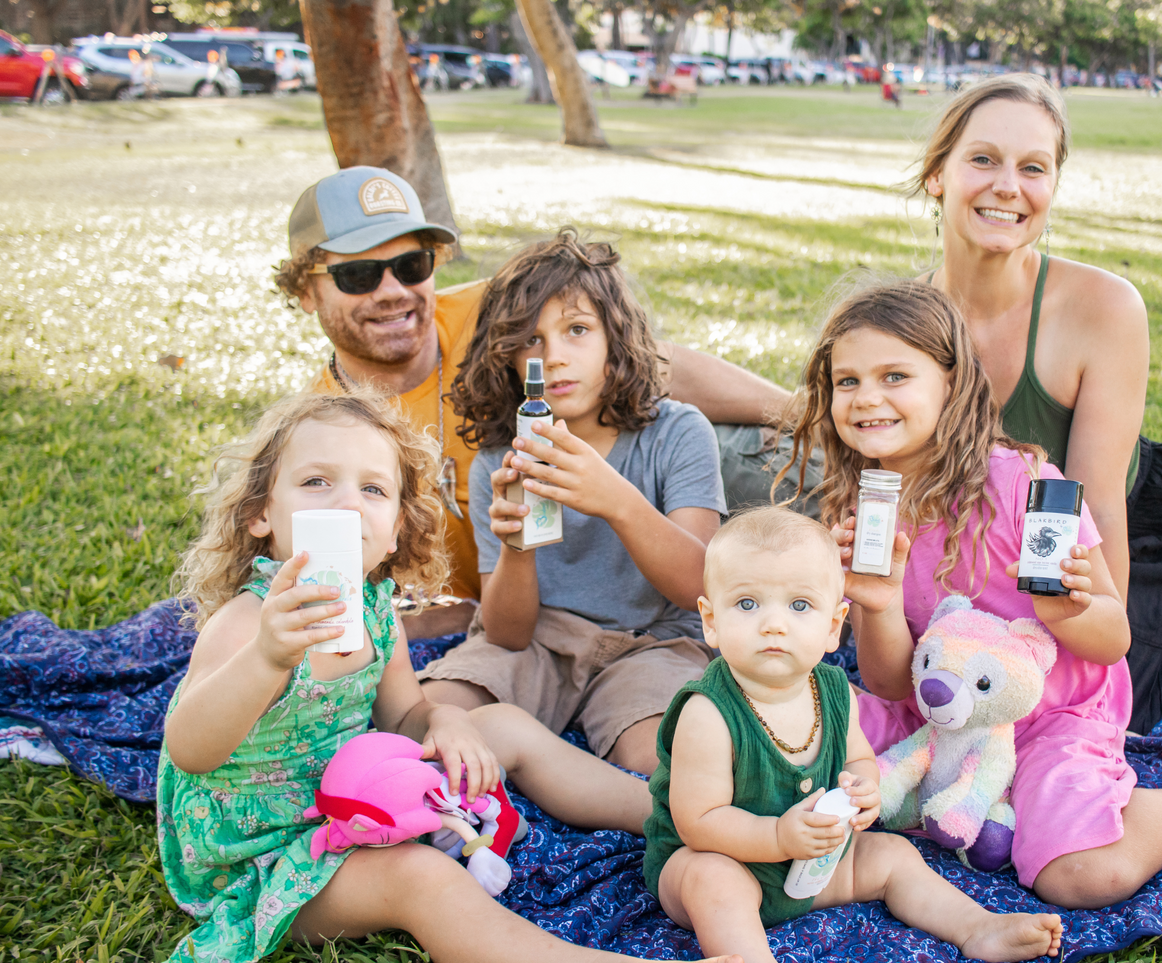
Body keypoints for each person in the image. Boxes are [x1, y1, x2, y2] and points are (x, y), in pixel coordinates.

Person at [781, 279, 1162, 910]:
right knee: (783, 740)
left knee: (1080, 877)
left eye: (894, 376)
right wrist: (877, 604)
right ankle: (987, 798)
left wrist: (1065, 609)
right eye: (847, 381)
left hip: (1053, 715)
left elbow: (1114, 639)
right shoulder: (868, 510)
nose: (866, 398)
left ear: (952, 382)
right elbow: (888, 684)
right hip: (938, 716)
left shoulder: (1024, 484)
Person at [158, 390, 708, 963]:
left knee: (500, 726)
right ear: (260, 514)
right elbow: (190, 749)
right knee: (421, 879)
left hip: (355, 793)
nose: (347, 503)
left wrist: (442, 719)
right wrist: (267, 658)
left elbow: (403, 714)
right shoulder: (247, 623)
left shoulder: (374, 609)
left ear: (395, 530)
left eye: (372, 489)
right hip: (266, 852)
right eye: (318, 482)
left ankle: (680, 812)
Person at [273, 167, 807, 638]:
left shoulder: (502, 313)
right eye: (358, 275)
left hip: (667, 470)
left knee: (824, 487)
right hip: (541, 587)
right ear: (305, 290)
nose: (392, 291)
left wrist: (802, 413)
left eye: (412, 265)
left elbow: (649, 361)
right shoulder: (320, 434)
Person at [912, 74, 1162, 735]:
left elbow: (1094, 505)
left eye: (1032, 167)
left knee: (1079, 721)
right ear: (936, 175)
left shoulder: (1103, 307)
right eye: (982, 159)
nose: (1008, 185)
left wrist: (1108, 629)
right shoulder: (902, 320)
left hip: (1143, 529)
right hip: (1003, 545)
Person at [643, 506, 1064, 963]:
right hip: (726, 861)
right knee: (710, 880)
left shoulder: (834, 690)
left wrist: (864, 791)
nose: (774, 624)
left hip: (813, 866)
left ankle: (976, 927)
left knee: (892, 855)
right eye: (747, 604)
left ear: (832, 626)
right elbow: (699, 822)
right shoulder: (708, 712)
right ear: (711, 620)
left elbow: (859, 761)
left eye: (799, 605)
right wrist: (779, 839)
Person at [415, 231, 725, 776]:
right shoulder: (499, 459)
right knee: (433, 720)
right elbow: (507, 633)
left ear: (615, 339)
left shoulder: (677, 432)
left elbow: (703, 587)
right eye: (531, 340)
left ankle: (550, 763)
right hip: (539, 642)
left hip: (651, 644)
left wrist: (617, 501)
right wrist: (516, 549)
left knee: (667, 764)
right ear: (507, 358)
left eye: (577, 330)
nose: (553, 358)